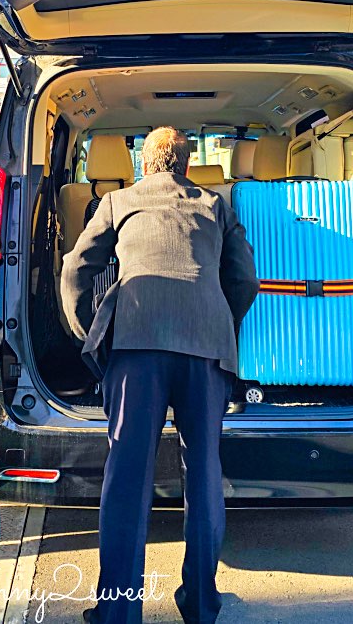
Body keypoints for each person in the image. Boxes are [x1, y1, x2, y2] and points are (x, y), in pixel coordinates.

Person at [60, 127, 260, 624]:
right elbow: (244, 280)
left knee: (127, 477)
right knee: (204, 472)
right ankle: (201, 605)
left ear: (143, 166)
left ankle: (117, 613)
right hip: (206, 350)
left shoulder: (117, 202)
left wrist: (92, 333)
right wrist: (218, 325)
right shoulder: (216, 205)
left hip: (136, 344)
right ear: (187, 167)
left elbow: (75, 270)